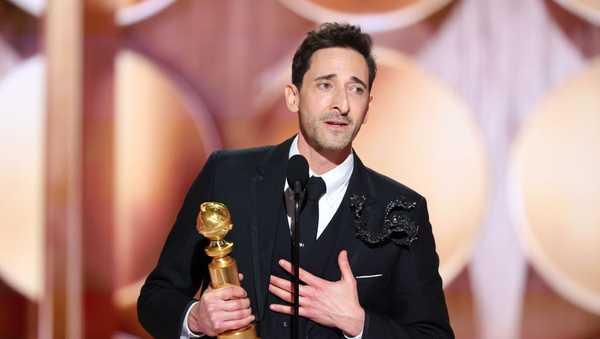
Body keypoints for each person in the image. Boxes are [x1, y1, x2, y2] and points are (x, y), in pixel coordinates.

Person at [137, 22, 454, 339]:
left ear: (368, 107)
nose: (341, 105)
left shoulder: (401, 209)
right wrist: (196, 318)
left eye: (356, 89)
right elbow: (157, 297)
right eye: (325, 85)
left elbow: (434, 335)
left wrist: (359, 324)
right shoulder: (227, 175)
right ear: (293, 97)